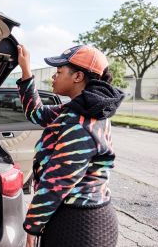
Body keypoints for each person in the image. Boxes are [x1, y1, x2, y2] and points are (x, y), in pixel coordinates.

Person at [16, 44, 124, 247]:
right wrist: (25, 70)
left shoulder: (82, 120)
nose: (53, 77)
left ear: (78, 77)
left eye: (59, 72)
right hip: (73, 216)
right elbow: (37, 113)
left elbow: (58, 181)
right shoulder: (78, 108)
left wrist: (32, 224)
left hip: (80, 225)